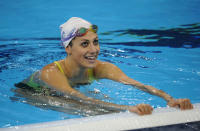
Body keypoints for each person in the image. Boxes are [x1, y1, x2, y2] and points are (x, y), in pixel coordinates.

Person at [17, 17, 193, 115]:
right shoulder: (51, 72)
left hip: (71, 88)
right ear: (68, 48)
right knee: (87, 109)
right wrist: (128, 109)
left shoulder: (101, 68)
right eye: (85, 44)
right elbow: (79, 98)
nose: (94, 50)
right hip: (34, 92)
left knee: (103, 101)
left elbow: (137, 84)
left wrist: (169, 98)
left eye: (96, 42)